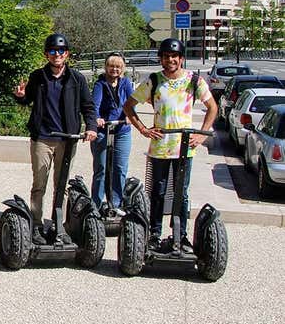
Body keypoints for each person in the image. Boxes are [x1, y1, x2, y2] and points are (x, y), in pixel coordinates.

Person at [123, 38, 217, 253]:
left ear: (181, 58)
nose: (171, 60)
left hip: (184, 147)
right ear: (161, 59)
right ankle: (154, 233)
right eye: (166, 56)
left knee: (181, 193)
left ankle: (180, 234)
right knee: (158, 191)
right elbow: (128, 106)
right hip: (160, 147)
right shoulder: (154, 81)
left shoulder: (194, 81)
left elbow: (212, 107)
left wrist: (202, 135)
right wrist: (143, 129)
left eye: (174, 56)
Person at [12, 33, 97, 245]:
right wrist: (20, 96)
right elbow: (27, 100)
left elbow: (88, 106)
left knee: (62, 185)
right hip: (43, 137)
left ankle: (60, 226)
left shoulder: (77, 79)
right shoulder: (38, 76)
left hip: (68, 139)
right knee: (39, 184)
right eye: (52, 51)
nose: (56, 55)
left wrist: (91, 127)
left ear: (66, 54)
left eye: (60, 51)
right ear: (46, 54)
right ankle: (37, 224)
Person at [90, 52, 134, 211]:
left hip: (122, 129)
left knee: (120, 167)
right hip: (104, 129)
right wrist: (97, 118)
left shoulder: (126, 83)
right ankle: (95, 204)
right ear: (106, 67)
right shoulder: (100, 84)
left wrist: (129, 115)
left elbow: (131, 103)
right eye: (111, 66)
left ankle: (116, 203)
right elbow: (94, 105)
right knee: (101, 168)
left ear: (122, 68)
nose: (114, 69)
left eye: (118, 67)